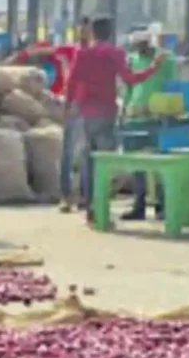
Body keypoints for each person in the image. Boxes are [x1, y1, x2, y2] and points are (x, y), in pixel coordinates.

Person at [64, 16, 166, 223]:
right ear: (110, 33)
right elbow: (130, 79)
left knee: (88, 162)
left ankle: (91, 209)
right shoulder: (115, 53)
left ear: (92, 32)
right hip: (106, 112)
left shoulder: (82, 54)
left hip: (85, 113)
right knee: (105, 162)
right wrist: (153, 67)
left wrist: (67, 108)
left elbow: (72, 82)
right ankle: (102, 209)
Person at [121, 30, 178, 221]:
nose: (140, 49)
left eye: (143, 45)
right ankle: (139, 205)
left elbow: (172, 86)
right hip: (135, 116)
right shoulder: (132, 59)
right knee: (137, 165)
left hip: (157, 117)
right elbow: (129, 87)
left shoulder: (166, 60)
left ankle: (163, 206)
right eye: (137, 46)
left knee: (160, 165)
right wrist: (124, 109)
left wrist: (170, 112)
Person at [57, 16, 91, 212]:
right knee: (68, 151)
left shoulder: (95, 52)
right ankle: (66, 194)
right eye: (81, 30)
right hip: (75, 104)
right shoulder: (73, 51)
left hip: (89, 105)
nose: (83, 33)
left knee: (85, 153)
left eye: (86, 30)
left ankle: (85, 195)